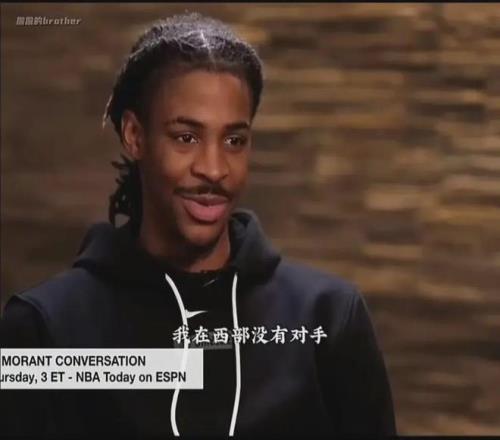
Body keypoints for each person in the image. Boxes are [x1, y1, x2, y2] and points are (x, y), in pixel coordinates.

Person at [1, 12, 396, 437]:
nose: (214, 168)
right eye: (185, 137)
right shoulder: (45, 328)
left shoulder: (328, 318)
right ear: (135, 135)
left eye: (234, 140)